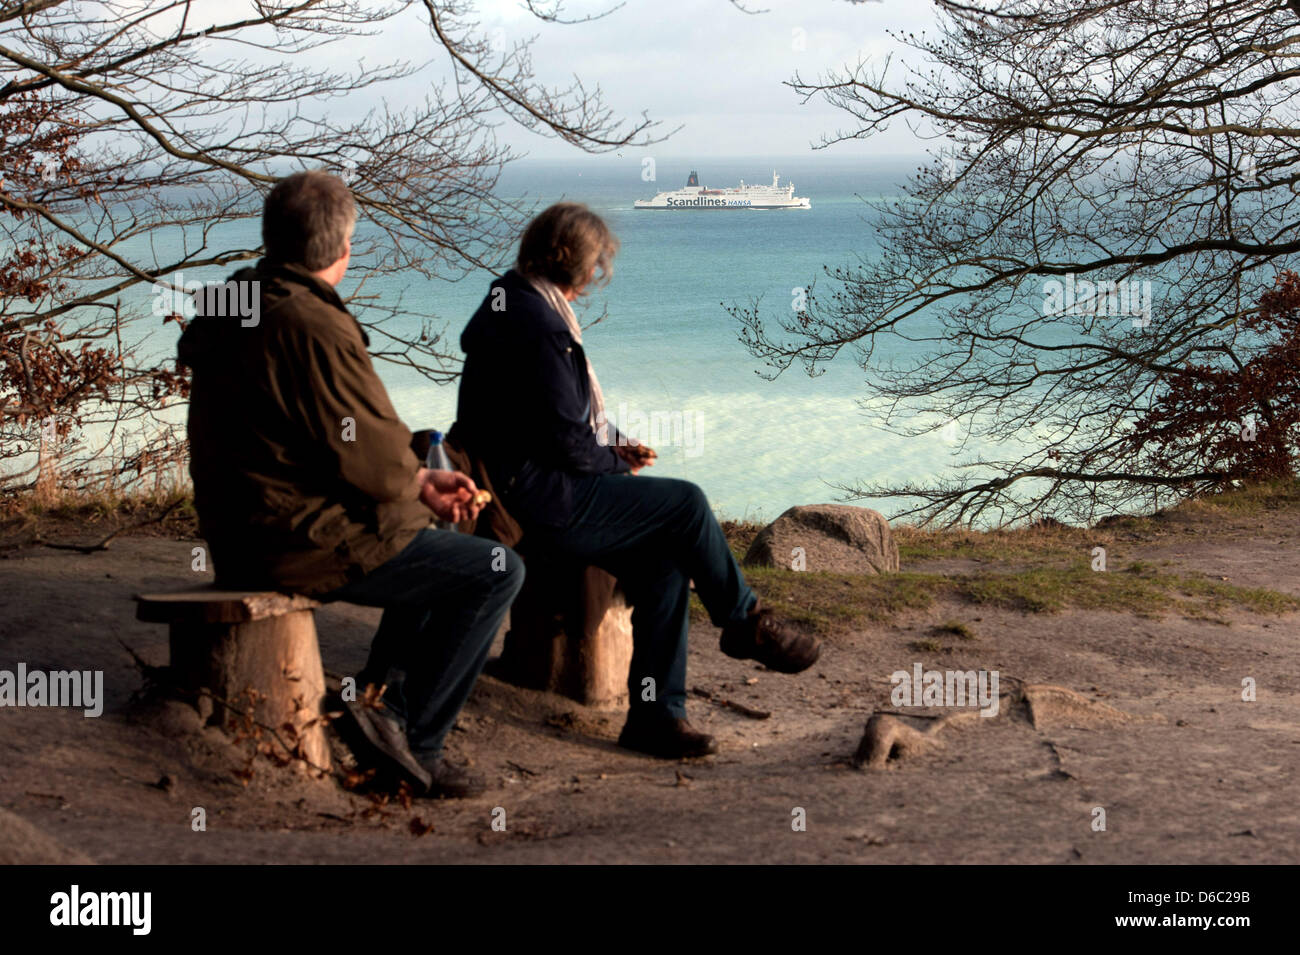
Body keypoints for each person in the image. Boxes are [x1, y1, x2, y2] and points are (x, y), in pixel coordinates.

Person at [177, 170, 523, 797]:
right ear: (342, 249)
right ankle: (415, 742)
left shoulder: (237, 303)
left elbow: (317, 440)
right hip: (291, 540)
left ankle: (383, 698)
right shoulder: (311, 324)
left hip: (241, 525)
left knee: (428, 536)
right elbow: (369, 453)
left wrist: (418, 482)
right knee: (495, 569)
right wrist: (415, 476)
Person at [453, 202, 822, 759]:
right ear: (576, 264)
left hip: (521, 484)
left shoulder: (513, 302)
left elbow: (553, 424)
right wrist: (617, 462)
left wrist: (610, 445)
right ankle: (746, 623)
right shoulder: (541, 325)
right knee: (687, 504)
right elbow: (567, 444)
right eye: (594, 267)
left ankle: (655, 717)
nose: (593, 281)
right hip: (538, 500)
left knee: (665, 562)